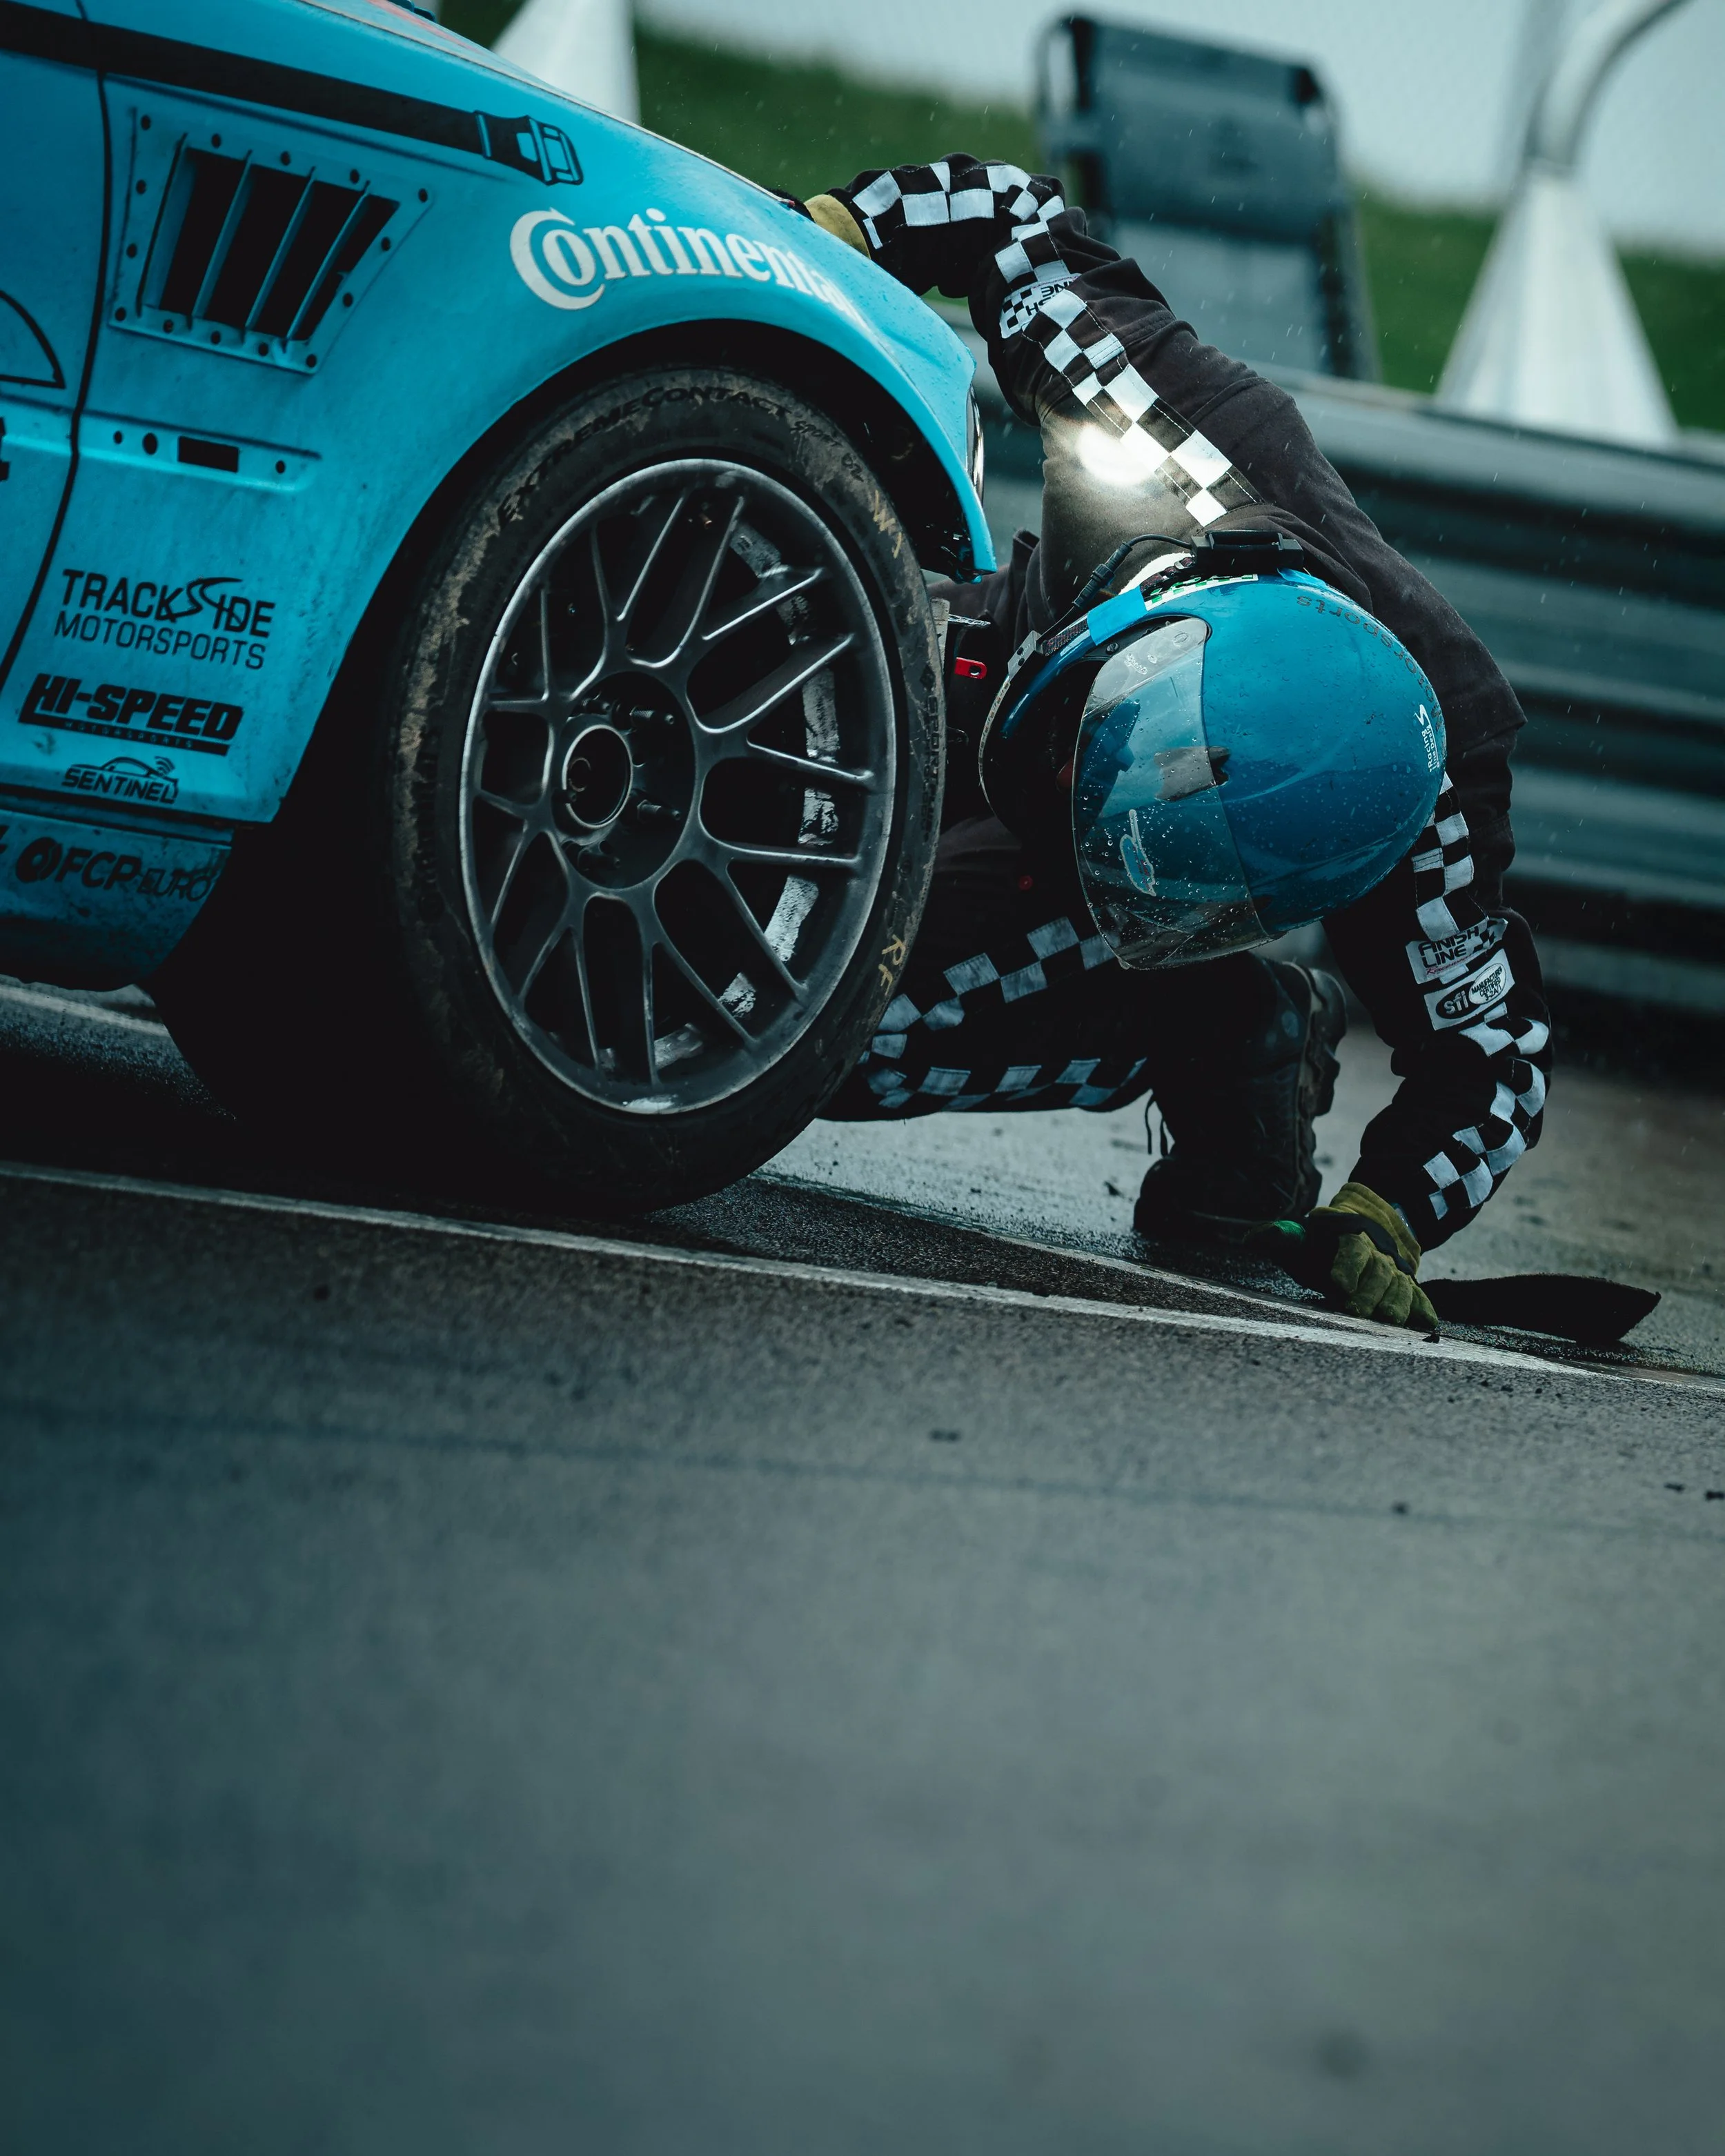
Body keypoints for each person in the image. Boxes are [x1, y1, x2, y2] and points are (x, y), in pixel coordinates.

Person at [802, 156, 1552, 1331]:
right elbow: (1007, 213)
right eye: (1108, 754)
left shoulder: (1429, 823)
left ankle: (1234, 1029)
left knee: (824, 1031)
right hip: (1014, 655)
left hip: (1124, 906)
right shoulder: (1174, 430)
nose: (1080, 793)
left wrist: (1385, 1212)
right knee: (800, 648)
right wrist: (822, 236)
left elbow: (1496, 1061)